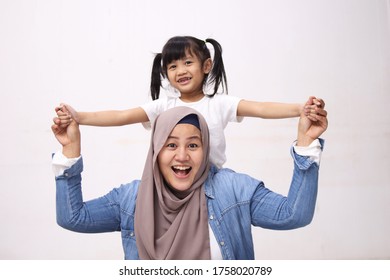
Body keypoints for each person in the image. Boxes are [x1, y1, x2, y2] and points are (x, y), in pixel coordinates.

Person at [51, 103, 328, 260]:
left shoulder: (232, 189)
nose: (182, 156)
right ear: (156, 151)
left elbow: (294, 215)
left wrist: (305, 144)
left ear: (205, 149)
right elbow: (73, 218)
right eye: (170, 145)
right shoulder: (132, 198)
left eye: (193, 145)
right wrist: (70, 149)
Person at [54, 35, 323, 168]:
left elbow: (261, 109)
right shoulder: (163, 106)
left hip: (213, 180)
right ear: (166, 74)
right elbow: (121, 115)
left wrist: (299, 109)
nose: (180, 70)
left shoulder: (219, 103)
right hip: (175, 178)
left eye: (187, 62)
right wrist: (80, 116)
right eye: (172, 66)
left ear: (206, 66)